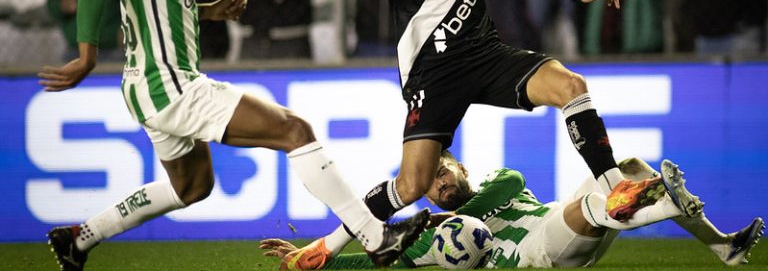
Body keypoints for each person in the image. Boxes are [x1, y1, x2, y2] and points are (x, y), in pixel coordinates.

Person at [38, 0, 429, 271]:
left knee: (192, 186)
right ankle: (377, 238)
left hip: (145, 87)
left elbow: (150, 3)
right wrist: (86, 57)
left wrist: (207, 11)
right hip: (171, 84)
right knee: (295, 130)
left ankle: (81, 237)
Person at [299, 0, 660, 270]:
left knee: (571, 86)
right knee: (412, 184)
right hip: (431, 74)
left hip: (486, 55)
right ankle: (326, 247)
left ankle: (615, 188)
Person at [261, 152, 765, 269]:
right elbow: (387, 259)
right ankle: (659, 199)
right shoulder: (445, 228)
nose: (438, 187)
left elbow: (512, 183)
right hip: (534, 254)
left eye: (441, 174)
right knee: (593, 207)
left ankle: (724, 247)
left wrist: (430, 221)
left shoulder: (501, 181)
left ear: (457, 166)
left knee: (627, 166)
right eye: (431, 189)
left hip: (554, 219)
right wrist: (325, 260)